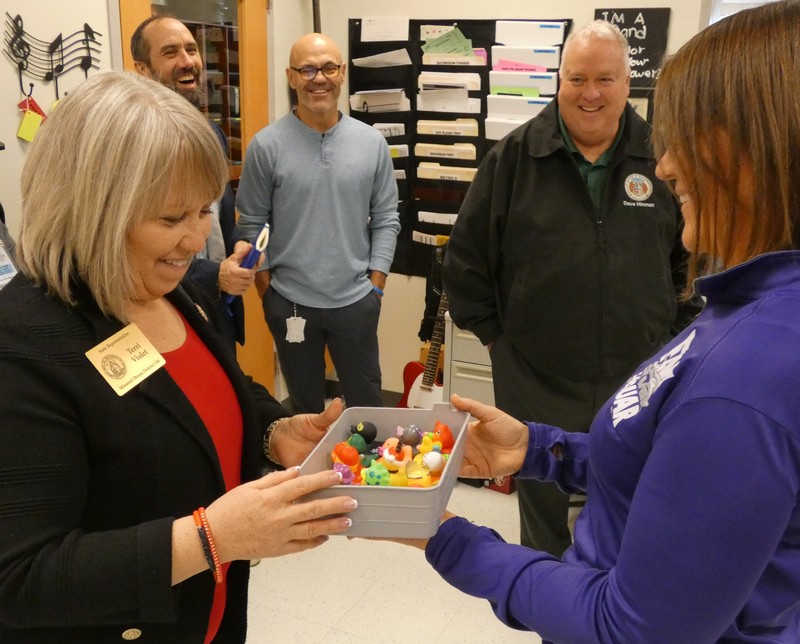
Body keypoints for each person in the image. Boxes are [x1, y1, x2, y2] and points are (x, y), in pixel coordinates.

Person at [395, 2, 800, 641]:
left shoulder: (742, 377)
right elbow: (675, 472)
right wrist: (543, 448)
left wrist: (448, 540)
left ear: (758, 145)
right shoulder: (751, 312)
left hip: (627, 378)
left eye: (688, 134)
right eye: (575, 79)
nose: (666, 167)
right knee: (547, 527)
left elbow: (632, 628)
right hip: (539, 376)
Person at [0, 71, 358, 643]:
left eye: (203, 211)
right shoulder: (23, 345)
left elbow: (199, 397)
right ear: (91, 212)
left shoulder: (175, 291)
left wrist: (272, 432)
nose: (196, 240)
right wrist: (212, 538)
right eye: (171, 219)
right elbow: (20, 578)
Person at [441, 20, 701, 557]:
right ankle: (549, 606)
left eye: (605, 79)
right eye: (577, 78)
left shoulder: (665, 158)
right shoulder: (513, 159)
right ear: (559, 80)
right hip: (535, 376)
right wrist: (498, 343)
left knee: (629, 493)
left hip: (638, 373)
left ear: (629, 84)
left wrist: (669, 336)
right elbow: (464, 262)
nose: (590, 94)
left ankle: (614, 605)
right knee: (541, 501)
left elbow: (691, 257)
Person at [234, 32, 400, 413]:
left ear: (342, 73)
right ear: (291, 77)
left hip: (356, 300)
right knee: (305, 413)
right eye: (306, 69)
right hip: (290, 303)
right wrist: (268, 293)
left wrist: (376, 285)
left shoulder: (371, 143)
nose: (318, 78)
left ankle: (364, 475)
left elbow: (387, 218)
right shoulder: (266, 146)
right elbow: (252, 223)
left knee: (367, 411)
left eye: (327, 68)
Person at [131, 14, 252, 349]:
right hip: (164, 307)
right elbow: (132, 246)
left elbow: (218, 210)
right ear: (142, 69)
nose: (188, 62)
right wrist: (215, 275)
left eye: (191, 49)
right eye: (170, 53)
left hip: (220, 310)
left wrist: (238, 242)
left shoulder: (210, 134)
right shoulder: (133, 146)